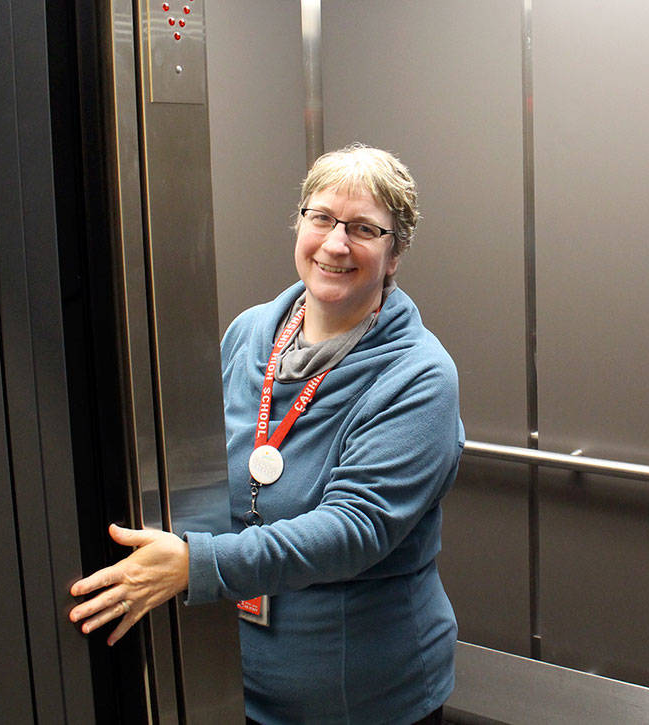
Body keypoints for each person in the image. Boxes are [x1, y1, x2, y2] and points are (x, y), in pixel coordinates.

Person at [68, 144, 464, 724]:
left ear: (395, 252)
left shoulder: (419, 375)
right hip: (238, 678)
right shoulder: (252, 331)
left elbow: (355, 528)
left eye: (363, 228)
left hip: (360, 697)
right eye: (321, 217)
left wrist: (196, 566)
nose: (335, 243)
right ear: (300, 223)